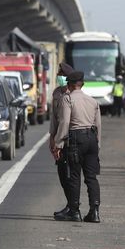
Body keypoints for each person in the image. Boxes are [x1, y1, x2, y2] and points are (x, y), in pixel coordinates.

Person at [53, 71, 102, 223]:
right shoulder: (93, 101)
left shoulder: (67, 99)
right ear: (83, 84)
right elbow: (98, 125)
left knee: (74, 176)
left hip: (76, 139)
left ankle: (74, 211)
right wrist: (97, 144)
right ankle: (94, 212)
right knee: (91, 177)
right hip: (92, 138)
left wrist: (58, 143)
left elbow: (65, 122)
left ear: (69, 85)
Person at [49, 62, 74, 218]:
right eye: (58, 75)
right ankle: (70, 204)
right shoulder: (57, 93)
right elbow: (54, 119)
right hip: (58, 136)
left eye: (62, 75)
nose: (59, 77)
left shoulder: (73, 94)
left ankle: (73, 206)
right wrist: (52, 138)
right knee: (62, 173)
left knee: (72, 175)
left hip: (71, 139)